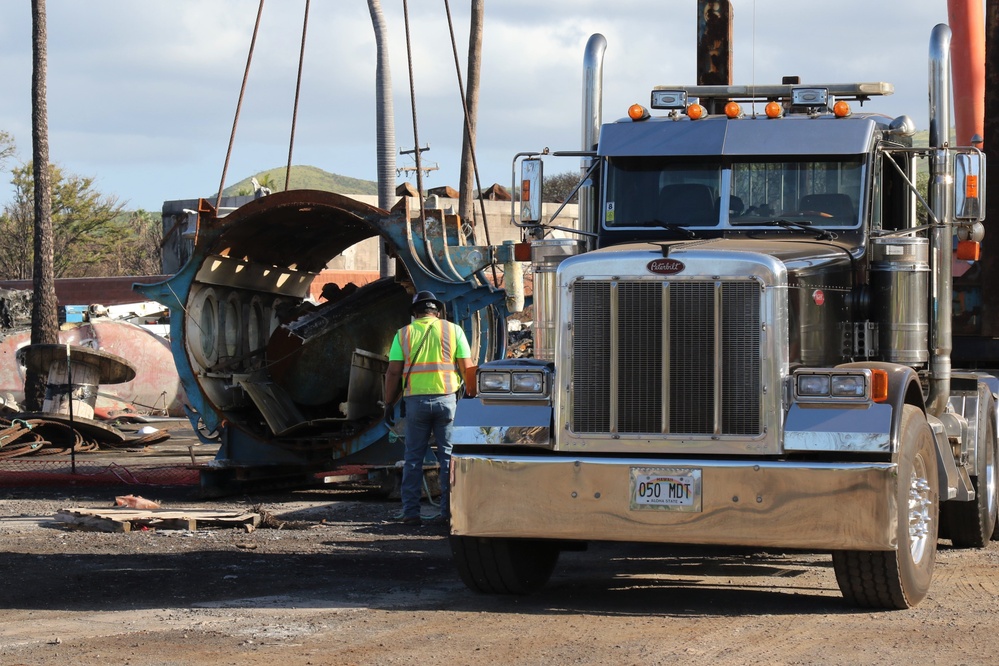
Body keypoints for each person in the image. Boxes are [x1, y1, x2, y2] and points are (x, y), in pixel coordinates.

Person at [383, 290, 472, 526]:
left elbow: (393, 372)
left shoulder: (403, 334)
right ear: (438, 311)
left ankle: (411, 513)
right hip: (447, 402)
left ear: (414, 313)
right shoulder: (454, 331)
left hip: (416, 403)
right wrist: (471, 396)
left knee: (413, 459)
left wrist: (388, 402)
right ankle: (448, 513)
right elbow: (467, 366)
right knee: (448, 458)